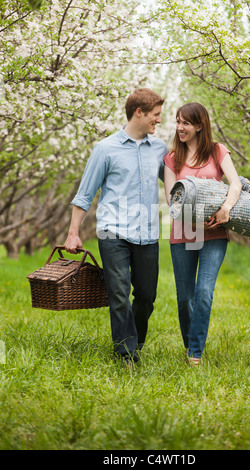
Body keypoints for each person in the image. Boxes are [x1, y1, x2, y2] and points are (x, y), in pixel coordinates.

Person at [64, 88, 168, 366]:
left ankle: (135, 342)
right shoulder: (105, 149)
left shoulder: (159, 149)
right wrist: (73, 232)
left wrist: (214, 154)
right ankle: (126, 353)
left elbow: (177, 181)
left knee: (146, 296)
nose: (159, 120)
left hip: (147, 234)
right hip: (113, 232)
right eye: (156, 115)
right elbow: (85, 194)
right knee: (119, 294)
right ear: (139, 112)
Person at [164, 102, 242, 367]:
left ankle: (194, 354)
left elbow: (237, 183)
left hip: (215, 233)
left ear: (199, 125)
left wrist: (226, 208)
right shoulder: (172, 158)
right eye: (177, 122)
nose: (180, 127)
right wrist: (197, 219)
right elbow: (171, 201)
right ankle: (191, 344)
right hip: (184, 232)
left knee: (204, 291)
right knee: (185, 297)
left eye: (185, 122)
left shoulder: (218, 151)